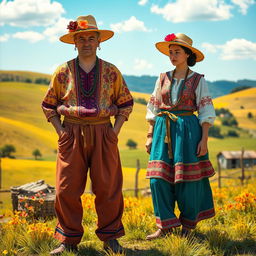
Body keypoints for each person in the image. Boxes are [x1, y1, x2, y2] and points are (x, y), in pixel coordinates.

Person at [41, 15, 133, 254]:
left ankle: (111, 239)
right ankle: (68, 240)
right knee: (65, 188)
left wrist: (114, 131)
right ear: (74, 42)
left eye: (91, 38)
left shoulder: (112, 72)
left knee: (108, 186)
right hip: (71, 132)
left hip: (104, 131)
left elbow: (125, 103)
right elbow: (48, 105)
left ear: (99, 41)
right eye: (81, 39)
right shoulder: (62, 71)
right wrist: (61, 131)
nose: (87, 43)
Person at [145, 33, 216, 240]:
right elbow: (154, 107)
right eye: (170, 52)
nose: (172, 55)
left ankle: (187, 225)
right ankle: (165, 225)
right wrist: (149, 135)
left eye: (177, 52)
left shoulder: (197, 80)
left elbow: (206, 112)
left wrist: (204, 139)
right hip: (162, 128)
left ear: (187, 54)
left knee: (187, 179)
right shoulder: (162, 78)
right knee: (157, 179)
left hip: (188, 130)